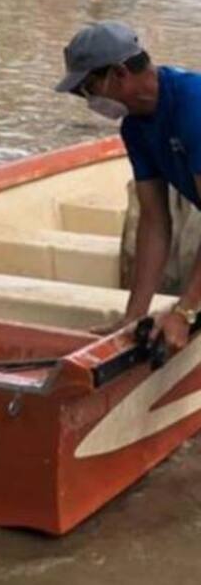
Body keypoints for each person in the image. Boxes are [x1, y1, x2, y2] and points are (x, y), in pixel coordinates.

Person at [55, 21, 201, 353]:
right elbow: (154, 221)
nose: (87, 100)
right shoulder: (135, 129)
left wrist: (185, 311)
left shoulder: (194, 105)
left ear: (119, 74)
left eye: (87, 89)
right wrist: (133, 317)